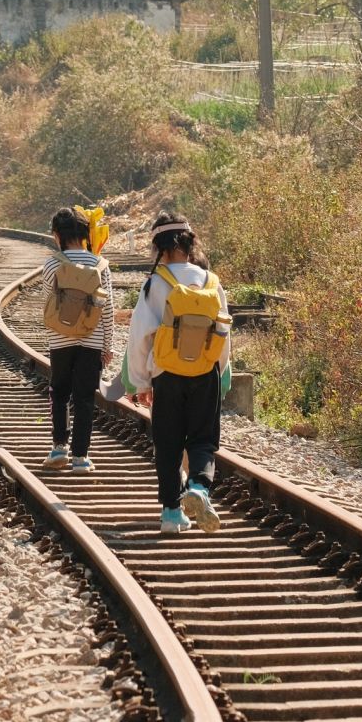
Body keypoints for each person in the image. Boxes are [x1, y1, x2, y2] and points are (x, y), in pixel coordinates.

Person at [124, 213, 231, 535]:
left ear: (159, 246)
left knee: (168, 443)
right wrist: (218, 370)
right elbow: (224, 332)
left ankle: (171, 512)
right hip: (205, 372)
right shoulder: (210, 281)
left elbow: (140, 335)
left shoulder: (156, 283)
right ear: (189, 243)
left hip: (166, 373)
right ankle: (199, 487)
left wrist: (141, 381)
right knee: (202, 439)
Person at [41, 205, 115, 474]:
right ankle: (81, 457)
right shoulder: (101, 265)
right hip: (91, 340)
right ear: (86, 234)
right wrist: (107, 347)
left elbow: (48, 302)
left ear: (57, 235)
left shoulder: (52, 264)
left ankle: (59, 446)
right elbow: (107, 309)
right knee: (84, 397)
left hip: (60, 340)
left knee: (59, 393)